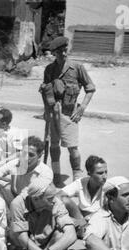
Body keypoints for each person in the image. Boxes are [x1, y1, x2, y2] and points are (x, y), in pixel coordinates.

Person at [41, 36, 96, 187]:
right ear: (54, 53)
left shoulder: (77, 68)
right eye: (59, 52)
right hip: (53, 112)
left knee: (72, 147)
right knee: (53, 145)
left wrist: (82, 108)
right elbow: (45, 91)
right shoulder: (49, 69)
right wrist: (46, 111)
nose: (64, 54)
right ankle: (56, 174)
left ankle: (77, 176)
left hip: (70, 113)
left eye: (65, 50)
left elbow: (90, 89)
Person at [0, 136, 53, 212]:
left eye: (31, 155)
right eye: (24, 153)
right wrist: (1, 203)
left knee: (49, 190)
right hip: (15, 198)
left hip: (33, 205)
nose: (26, 158)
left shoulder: (45, 172)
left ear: (39, 155)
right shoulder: (15, 163)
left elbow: (28, 196)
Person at [57, 155, 108, 237]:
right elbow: (59, 196)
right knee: (64, 200)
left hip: (98, 219)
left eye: (106, 172)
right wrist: (80, 219)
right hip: (79, 216)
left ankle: (77, 229)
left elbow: (107, 211)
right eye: (100, 173)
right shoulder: (81, 182)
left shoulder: (108, 187)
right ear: (89, 173)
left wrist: (86, 219)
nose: (105, 176)